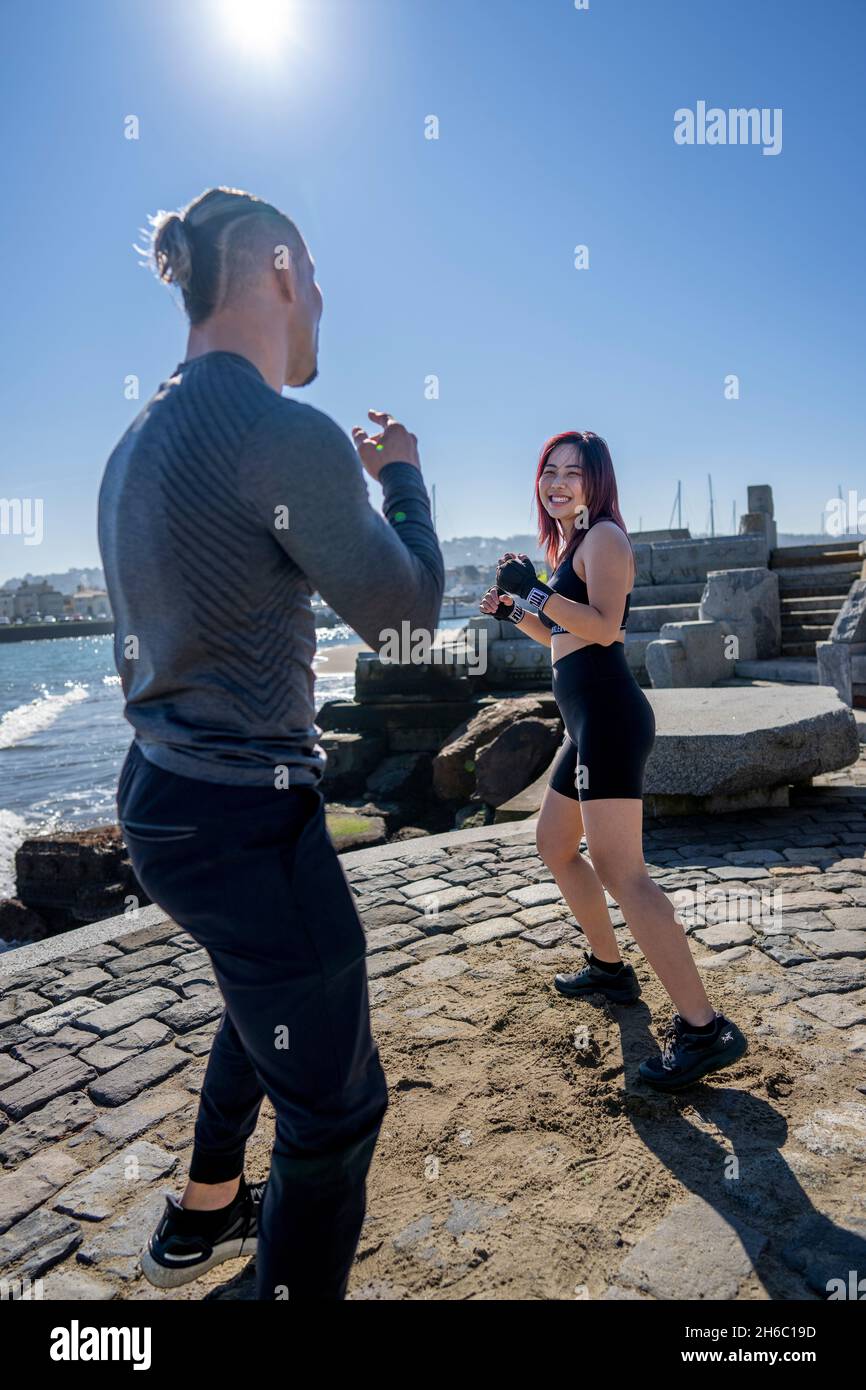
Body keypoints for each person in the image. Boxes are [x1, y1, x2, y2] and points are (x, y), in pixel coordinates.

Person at [98, 186, 444, 1298]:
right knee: (337, 1111)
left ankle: (200, 1216)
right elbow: (403, 622)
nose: (323, 310)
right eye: (320, 285)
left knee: (264, 1001)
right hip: (248, 818)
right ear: (284, 271)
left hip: (159, 798)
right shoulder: (276, 430)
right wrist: (402, 477)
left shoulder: (132, 441)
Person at [480, 431, 748, 1090]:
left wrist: (537, 588)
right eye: (550, 471)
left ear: (598, 483)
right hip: (588, 722)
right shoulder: (573, 544)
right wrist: (518, 610)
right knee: (553, 843)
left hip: (610, 718)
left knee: (624, 873)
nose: (559, 482)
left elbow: (603, 626)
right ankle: (610, 968)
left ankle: (703, 1029)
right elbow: (561, 635)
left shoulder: (605, 538)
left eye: (575, 472)